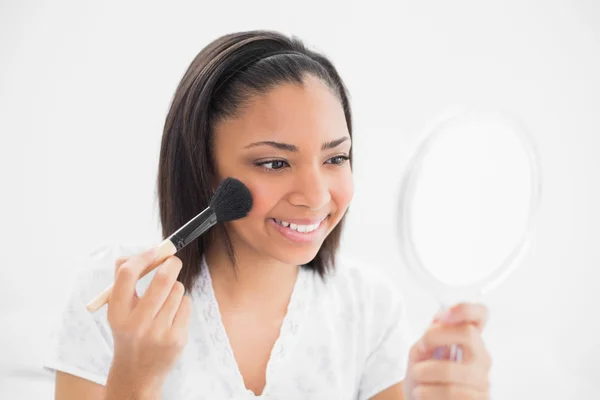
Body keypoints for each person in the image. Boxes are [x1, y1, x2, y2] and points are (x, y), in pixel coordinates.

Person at [44, 30, 491, 399]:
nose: (315, 196)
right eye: (275, 163)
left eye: (335, 159)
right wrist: (135, 379)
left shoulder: (368, 310)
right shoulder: (115, 297)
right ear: (203, 169)